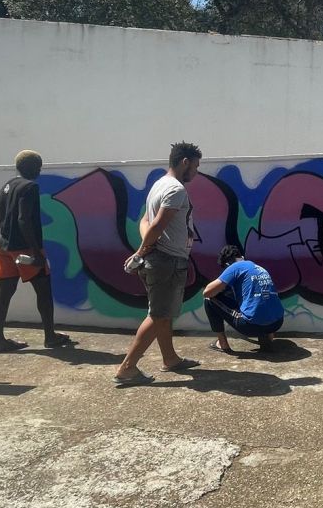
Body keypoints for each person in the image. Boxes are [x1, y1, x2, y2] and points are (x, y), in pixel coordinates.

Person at [113, 142, 203, 386]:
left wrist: (145, 249)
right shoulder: (176, 190)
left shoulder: (158, 185)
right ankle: (127, 368)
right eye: (195, 166)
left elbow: (145, 221)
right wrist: (142, 251)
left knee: (164, 314)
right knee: (158, 314)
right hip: (167, 262)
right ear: (184, 162)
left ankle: (170, 359)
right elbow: (157, 225)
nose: (196, 171)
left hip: (159, 258)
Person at [0, 150, 74, 353]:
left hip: (4, 246)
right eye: (39, 166)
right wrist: (36, 252)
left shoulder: (5, 187)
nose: (39, 170)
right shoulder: (30, 187)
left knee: (4, 293)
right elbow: (23, 219)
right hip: (24, 248)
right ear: (33, 167)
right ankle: (50, 337)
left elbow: (4, 216)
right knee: (44, 291)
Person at [203, 245, 284, 354]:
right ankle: (268, 339)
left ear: (227, 264)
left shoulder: (235, 267)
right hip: (277, 323)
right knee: (260, 300)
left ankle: (222, 344)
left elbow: (207, 292)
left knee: (209, 299)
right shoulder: (258, 268)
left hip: (251, 327)